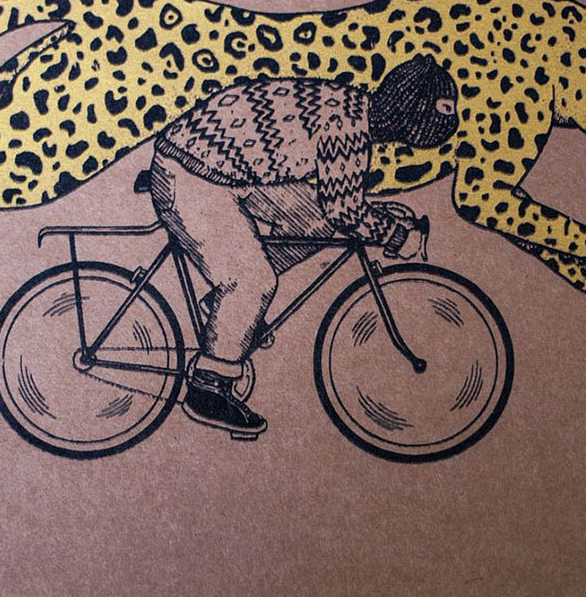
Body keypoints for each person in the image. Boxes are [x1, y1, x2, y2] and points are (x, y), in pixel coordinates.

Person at [149, 55, 459, 437]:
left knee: (317, 223)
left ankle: (225, 309)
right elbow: (346, 209)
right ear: (408, 117)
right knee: (252, 282)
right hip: (191, 174)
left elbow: (336, 205)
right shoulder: (347, 127)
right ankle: (207, 388)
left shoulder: (352, 109)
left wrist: (379, 219)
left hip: (228, 169)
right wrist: (397, 236)